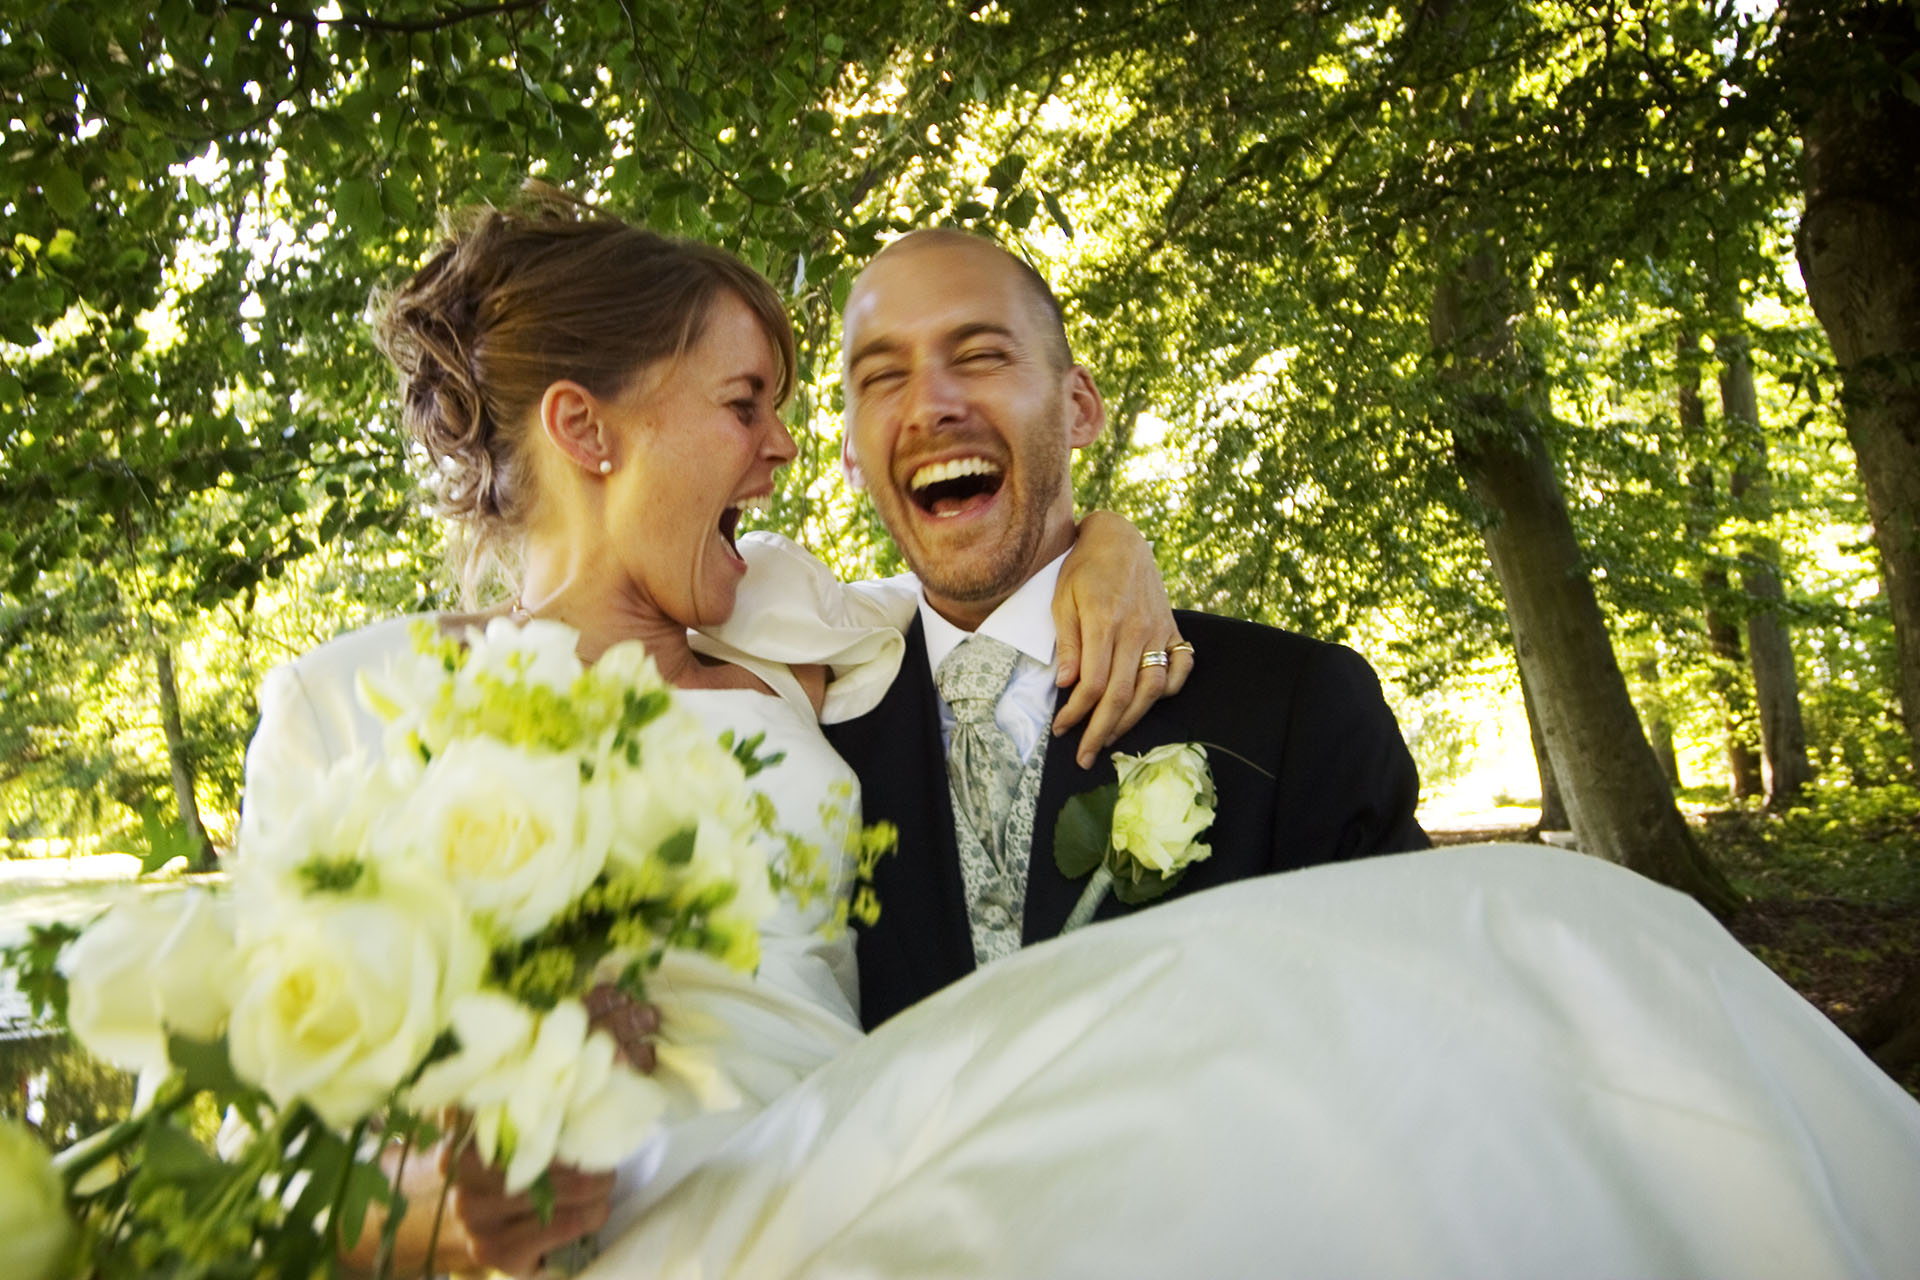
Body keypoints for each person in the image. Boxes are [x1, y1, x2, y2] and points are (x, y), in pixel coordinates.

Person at [240, 188, 1181, 1275]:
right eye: (744, 404)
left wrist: (1113, 545)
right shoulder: (351, 701)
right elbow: (260, 1152)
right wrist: (445, 1211)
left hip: (871, 1212)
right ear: (585, 428)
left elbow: (995, 585)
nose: (786, 447)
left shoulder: (792, 628)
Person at [825, 229, 1431, 1028]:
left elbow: (1412, 1040)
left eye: (979, 356)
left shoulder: (1296, 712)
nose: (932, 403)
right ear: (850, 454)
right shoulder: (802, 730)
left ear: (1079, 406)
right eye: (882, 376)